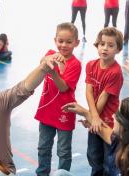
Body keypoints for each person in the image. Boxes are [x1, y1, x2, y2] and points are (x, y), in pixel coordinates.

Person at [62, 97, 129, 176]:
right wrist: (85, 113)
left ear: (124, 125)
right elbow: (106, 132)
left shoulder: (128, 164)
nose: (113, 116)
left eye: (116, 114)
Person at [34, 22, 81, 176]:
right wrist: (48, 59)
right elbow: (42, 61)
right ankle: (42, 173)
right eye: (60, 41)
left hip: (64, 111)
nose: (64, 45)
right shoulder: (51, 53)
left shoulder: (75, 64)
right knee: (43, 147)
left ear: (76, 43)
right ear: (55, 40)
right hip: (47, 110)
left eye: (69, 42)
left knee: (64, 150)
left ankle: (63, 174)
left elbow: (63, 88)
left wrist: (55, 71)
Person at [85, 27, 123, 176]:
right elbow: (89, 92)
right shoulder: (90, 65)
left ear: (118, 49)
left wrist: (92, 118)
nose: (105, 48)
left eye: (110, 45)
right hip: (95, 117)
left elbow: (103, 97)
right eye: (102, 44)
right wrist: (92, 117)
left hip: (109, 123)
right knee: (94, 156)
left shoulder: (115, 72)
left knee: (109, 162)